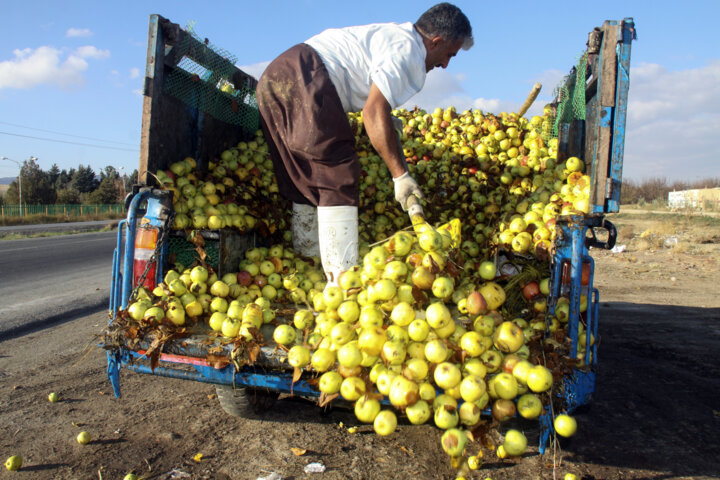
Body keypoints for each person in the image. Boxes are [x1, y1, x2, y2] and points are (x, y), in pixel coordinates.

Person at [256, 3, 473, 285]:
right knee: (338, 172)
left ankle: (307, 261)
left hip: (274, 79)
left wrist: (388, 124)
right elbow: (372, 112)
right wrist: (401, 177)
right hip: (307, 78)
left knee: (303, 176)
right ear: (436, 42)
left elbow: (377, 104)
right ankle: (343, 283)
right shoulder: (409, 51)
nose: (444, 64)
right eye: (448, 55)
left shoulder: (392, 36)